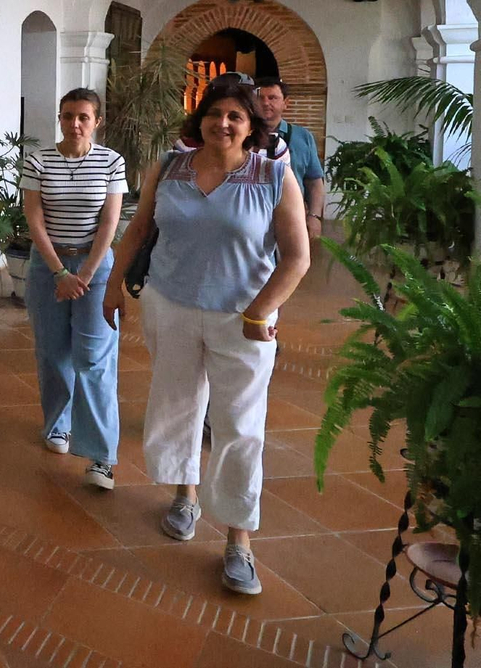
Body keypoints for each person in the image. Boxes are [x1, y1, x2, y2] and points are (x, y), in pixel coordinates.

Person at [103, 82, 310, 595]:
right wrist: (112, 285)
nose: (223, 123)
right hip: (171, 305)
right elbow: (137, 230)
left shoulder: (273, 175)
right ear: (200, 121)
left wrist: (261, 310)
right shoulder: (170, 169)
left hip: (242, 319)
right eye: (214, 114)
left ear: (251, 125)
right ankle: (185, 494)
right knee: (178, 404)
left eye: (235, 116)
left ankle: (239, 541)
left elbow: (297, 256)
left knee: (239, 425)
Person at [20, 88, 127, 490]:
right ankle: (58, 426)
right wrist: (59, 273)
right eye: (68, 116)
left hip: (95, 267)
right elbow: (35, 220)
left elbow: (109, 222)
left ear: (97, 121)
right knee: (52, 351)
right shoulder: (38, 160)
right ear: (60, 119)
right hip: (47, 265)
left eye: (83, 116)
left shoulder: (111, 162)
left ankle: (101, 456)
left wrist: (84, 273)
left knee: (94, 358)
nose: (75, 123)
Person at [254, 77, 327, 241]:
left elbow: (314, 180)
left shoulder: (303, 137)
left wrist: (314, 216)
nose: (265, 103)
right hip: (251, 216)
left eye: (272, 98)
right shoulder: (242, 135)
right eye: (260, 98)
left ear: (286, 103)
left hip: (292, 217)